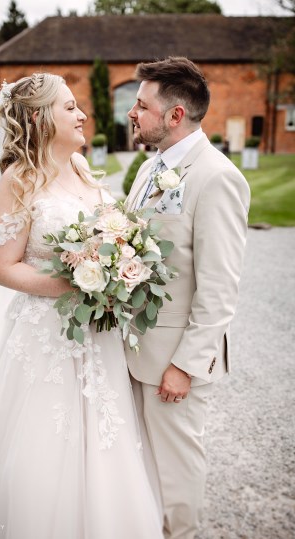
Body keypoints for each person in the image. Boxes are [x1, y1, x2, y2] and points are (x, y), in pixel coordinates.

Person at [0, 73, 163, 538]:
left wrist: (118, 267)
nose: (82, 115)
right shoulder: (19, 180)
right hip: (46, 339)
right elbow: (3, 268)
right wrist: (72, 286)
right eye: (70, 107)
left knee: (105, 439)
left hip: (99, 338)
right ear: (39, 118)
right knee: (42, 445)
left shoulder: (80, 167)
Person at [125, 57, 250, 539]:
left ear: (175, 116)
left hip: (174, 363)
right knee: (141, 465)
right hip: (134, 352)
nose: (133, 113)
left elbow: (219, 289)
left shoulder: (216, 177)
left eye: (141, 105)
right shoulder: (149, 167)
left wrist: (186, 364)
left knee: (176, 472)